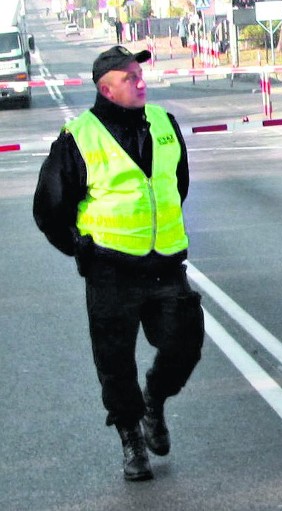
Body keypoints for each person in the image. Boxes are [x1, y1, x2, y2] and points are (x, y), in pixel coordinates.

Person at [33, 45, 205, 482]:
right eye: (131, 77)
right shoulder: (79, 136)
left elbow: (175, 185)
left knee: (185, 343)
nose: (142, 81)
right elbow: (49, 207)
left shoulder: (164, 124)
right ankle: (131, 438)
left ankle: (155, 399)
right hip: (111, 271)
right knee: (115, 362)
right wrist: (79, 248)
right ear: (106, 88)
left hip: (165, 264)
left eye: (141, 74)